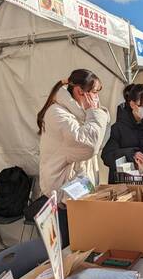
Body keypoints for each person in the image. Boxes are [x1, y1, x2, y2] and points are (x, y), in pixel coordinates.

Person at [38, 69, 110, 247]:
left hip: (77, 197)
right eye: (94, 92)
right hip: (62, 200)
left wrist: (96, 114)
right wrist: (96, 113)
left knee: (82, 250)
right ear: (79, 91)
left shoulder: (81, 114)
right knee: (66, 254)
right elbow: (88, 146)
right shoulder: (57, 113)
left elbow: (100, 139)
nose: (97, 98)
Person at [101, 84, 143, 183]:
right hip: (124, 186)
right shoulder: (118, 128)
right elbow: (107, 156)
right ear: (132, 104)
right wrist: (132, 154)